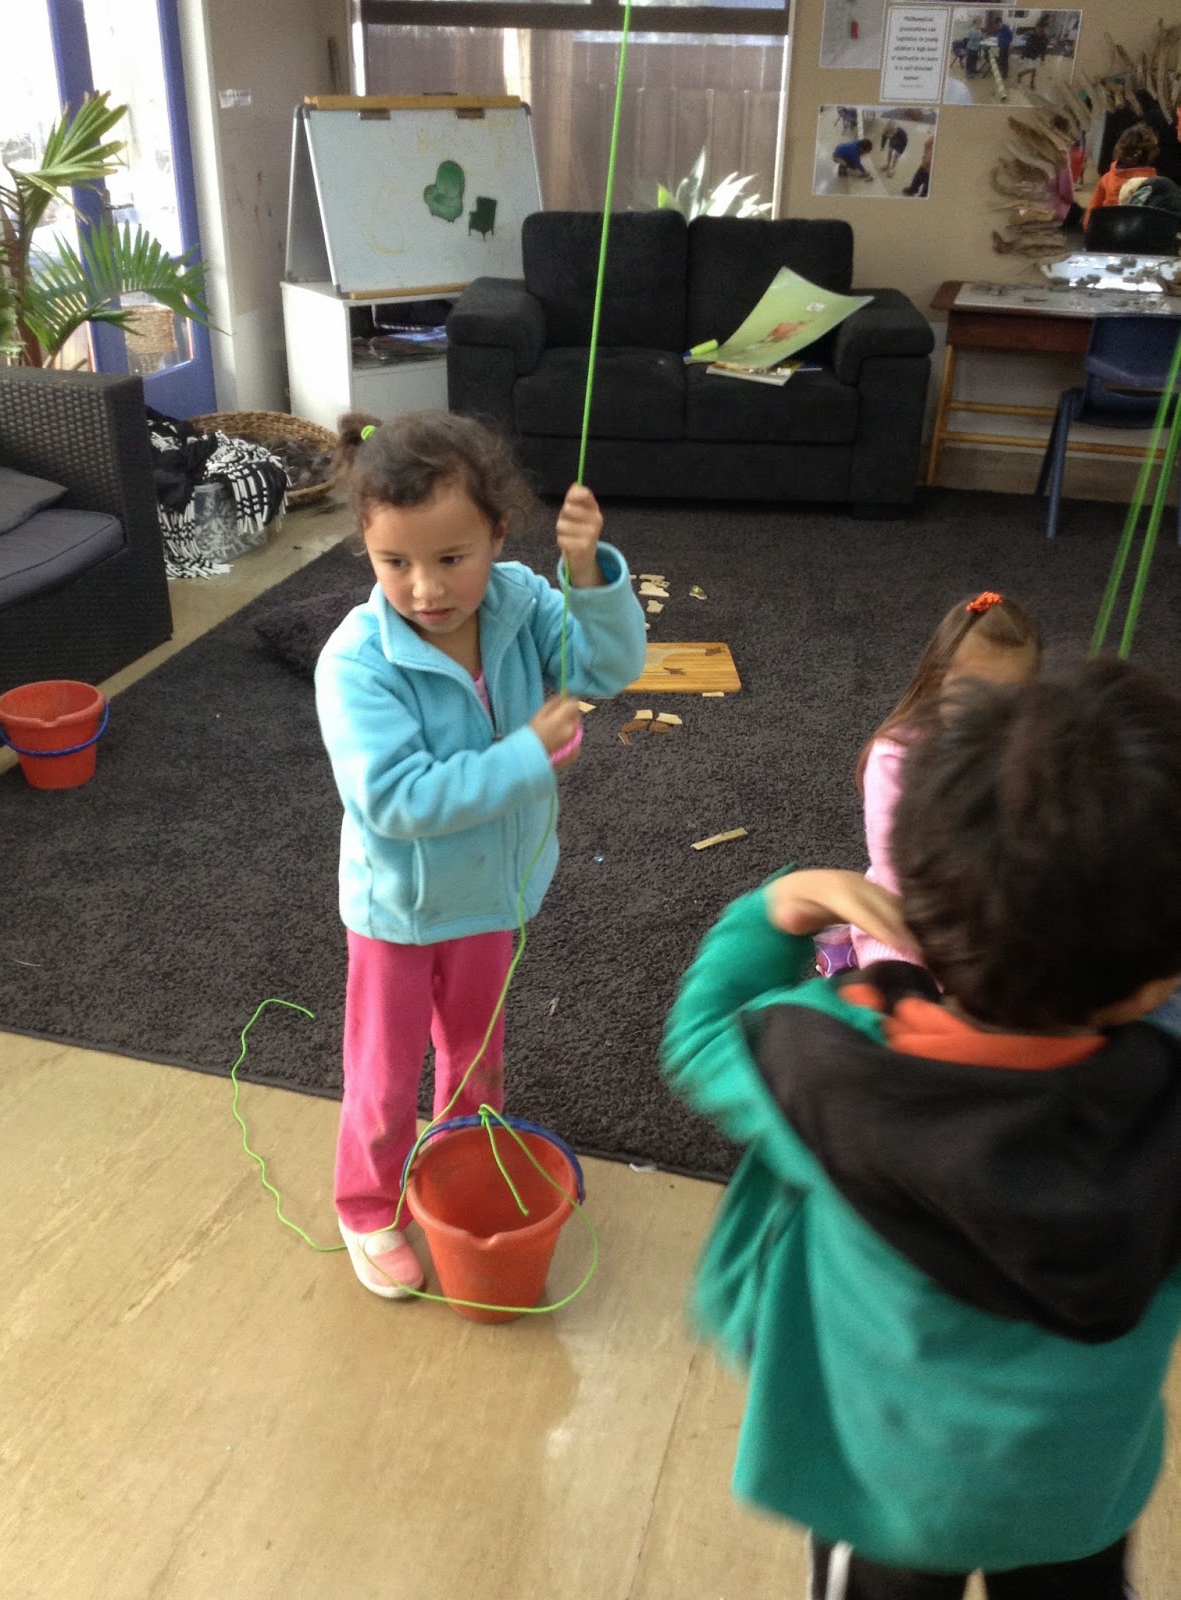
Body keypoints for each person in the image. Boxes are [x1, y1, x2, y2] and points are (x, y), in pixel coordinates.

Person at [661, 656, 1181, 1596]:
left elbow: (697, 1034)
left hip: (887, 1496)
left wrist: (777, 906)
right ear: (1155, 977)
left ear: (921, 907)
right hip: (1078, 1491)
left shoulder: (826, 1059)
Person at [315, 410, 646, 1298]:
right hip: (398, 909)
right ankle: (366, 1205)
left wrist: (585, 574)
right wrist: (523, 756)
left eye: (451, 558)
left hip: (494, 897)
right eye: (395, 562)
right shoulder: (356, 661)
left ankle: (459, 1167)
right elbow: (395, 799)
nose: (425, 587)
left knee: (475, 1063)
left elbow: (604, 672)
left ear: (499, 535)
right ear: (367, 548)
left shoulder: (522, 602)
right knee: (383, 1079)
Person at [850, 590, 1040, 968]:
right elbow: (894, 867)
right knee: (900, 984)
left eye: (1011, 696)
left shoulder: (1028, 744)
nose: (988, 713)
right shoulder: (896, 756)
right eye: (971, 694)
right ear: (937, 682)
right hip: (911, 908)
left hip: (1000, 905)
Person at [1083, 123, 1161, 228]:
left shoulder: (1107, 178)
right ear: (1151, 153)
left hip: (1105, 233)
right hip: (1137, 237)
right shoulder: (1154, 183)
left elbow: (1092, 211)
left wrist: (1090, 231)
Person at [1016, 17, 1049, 90]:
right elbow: (1026, 47)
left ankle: (1028, 80)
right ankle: (1022, 76)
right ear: (1037, 28)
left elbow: (1044, 49)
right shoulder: (1031, 36)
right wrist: (1022, 57)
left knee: (1033, 69)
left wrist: (1043, 59)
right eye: (1039, 29)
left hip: (1036, 56)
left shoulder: (1044, 38)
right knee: (1032, 69)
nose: (1040, 31)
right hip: (1029, 55)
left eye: (1042, 30)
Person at [902, 132, 935, 197]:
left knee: (928, 184)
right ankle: (913, 189)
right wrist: (926, 155)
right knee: (918, 175)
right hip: (926, 162)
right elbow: (926, 144)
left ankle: (923, 196)